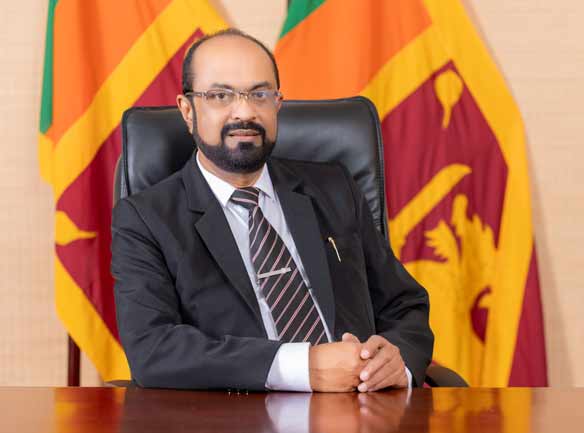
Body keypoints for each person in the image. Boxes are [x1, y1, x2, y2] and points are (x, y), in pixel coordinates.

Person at [111, 28, 433, 392]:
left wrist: (397, 363)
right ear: (187, 110)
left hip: (363, 404)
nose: (245, 112)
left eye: (260, 94)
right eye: (220, 95)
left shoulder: (334, 188)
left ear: (277, 104)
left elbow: (404, 304)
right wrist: (302, 367)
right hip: (238, 411)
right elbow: (153, 349)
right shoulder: (146, 219)